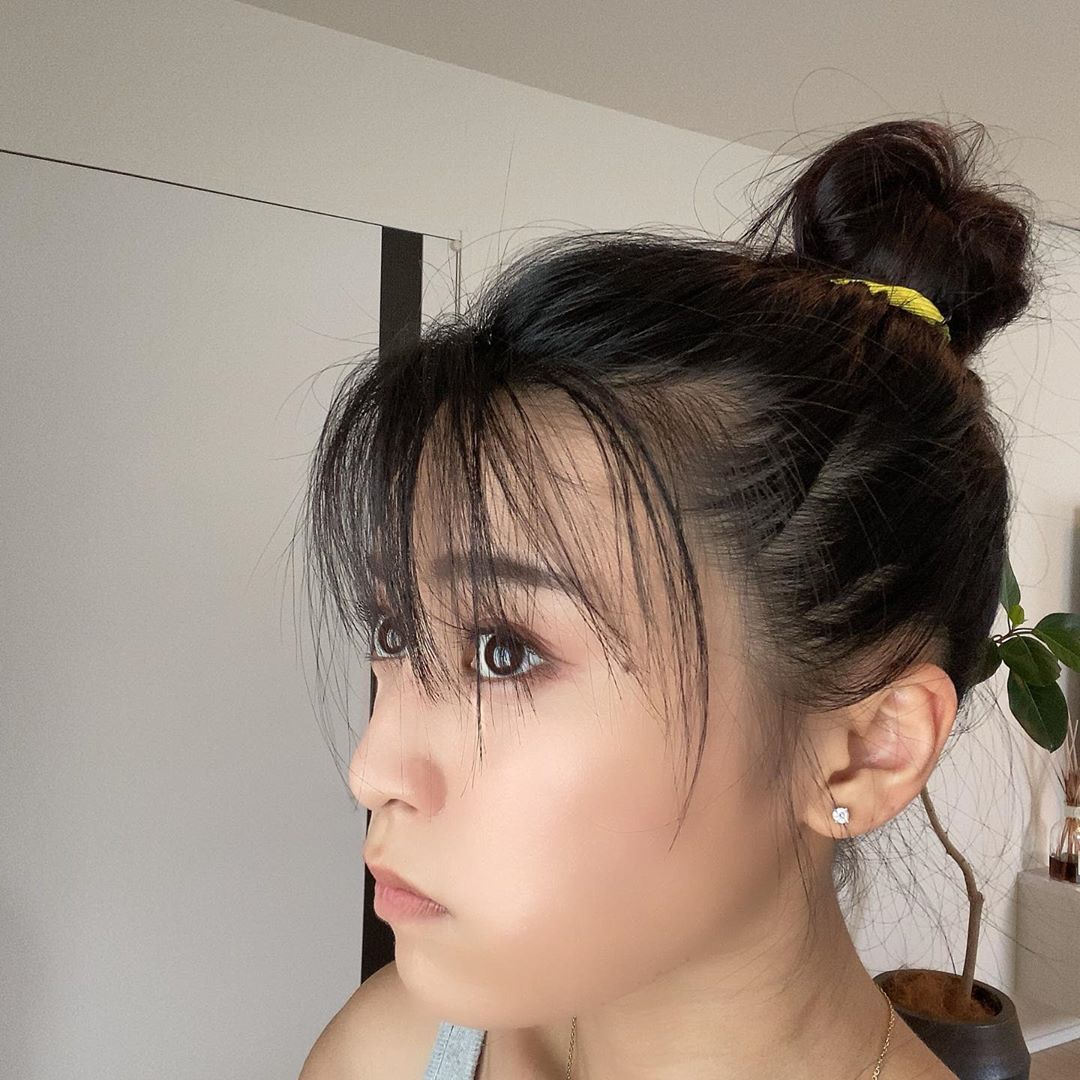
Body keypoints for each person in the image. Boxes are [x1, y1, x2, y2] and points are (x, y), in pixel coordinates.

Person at [298, 117, 1039, 1080]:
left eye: (503, 652)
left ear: (867, 750)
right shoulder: (395, 1051)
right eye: (396, 633)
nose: (371, 771)